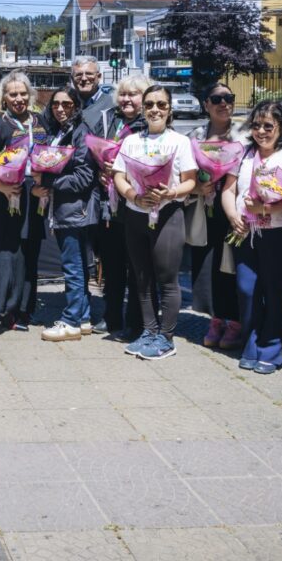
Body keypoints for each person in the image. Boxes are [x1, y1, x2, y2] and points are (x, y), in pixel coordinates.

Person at [222, 100, 282, 374]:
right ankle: (250, 344)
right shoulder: (245, 153)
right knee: (247, 290)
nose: (261, 131)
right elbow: (228, 190)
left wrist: (266, 208)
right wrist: (232, 216)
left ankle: (271, 349)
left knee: (274, 291)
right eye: (257, 125)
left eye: (268, 125)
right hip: (245, 233)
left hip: (279, 234)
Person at [113, 85, 197, 360]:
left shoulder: (180, 142)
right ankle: (148, 331)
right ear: (143, 108)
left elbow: (190, 181)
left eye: (161, 104)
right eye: (149, 104)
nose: (155, 110)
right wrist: (133, 197)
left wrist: (170, 193)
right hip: (136, 215)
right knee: (141, 278)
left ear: (169, 109)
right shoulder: (131, 140)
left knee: (167, 280)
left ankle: (166, 337)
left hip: (168, 215)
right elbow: (119, 176)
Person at [0, 71, 48, 331]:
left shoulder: (40, 122)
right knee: (6, 253)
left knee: (29, 253)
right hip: (6, 195)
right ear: (3, 97)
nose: (19, 98)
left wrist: (44, 185)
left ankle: (23, 311)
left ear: (31, 95)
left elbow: (50, 158)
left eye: (23, 93)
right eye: (13, 94)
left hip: (34, 196)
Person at [36, 87, 97, 341]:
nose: (61, 109)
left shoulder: (81, 133)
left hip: (74, 210)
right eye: (56, 104)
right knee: (79, 266)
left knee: (73, 267)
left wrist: (49, 182)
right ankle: (82, 317)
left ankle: (71, 320)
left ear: (76, 107)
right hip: (66, 209)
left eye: (67, 105)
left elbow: (84, 177)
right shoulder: (61, 131)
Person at [91, 73, 150, 338]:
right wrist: (101, 170)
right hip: (109, 204)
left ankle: (136, 322)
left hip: (135, 203)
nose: (126, 99)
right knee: (112, 264)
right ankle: (111, 315)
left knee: (136, 266)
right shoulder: (110, 119)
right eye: (123, 94)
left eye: (133, 94)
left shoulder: (148, 123)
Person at [187, 83, 245, 350]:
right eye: (217, 99)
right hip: (206, 209)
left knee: (231, 268)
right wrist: (198, 187)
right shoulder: (195, 136)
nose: (224, 103)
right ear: (206, 105)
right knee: (209, 268)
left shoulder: (245, 135)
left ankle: (235, 322)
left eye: (228, 98)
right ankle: (216, 318)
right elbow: (184, 172)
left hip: (236, 212)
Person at [71, 56, 114, 137]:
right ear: (72, 79)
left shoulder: (112, 105)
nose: (84, 78)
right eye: (79, 75)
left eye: (89, 74)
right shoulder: (64, 104)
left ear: (99, 77)